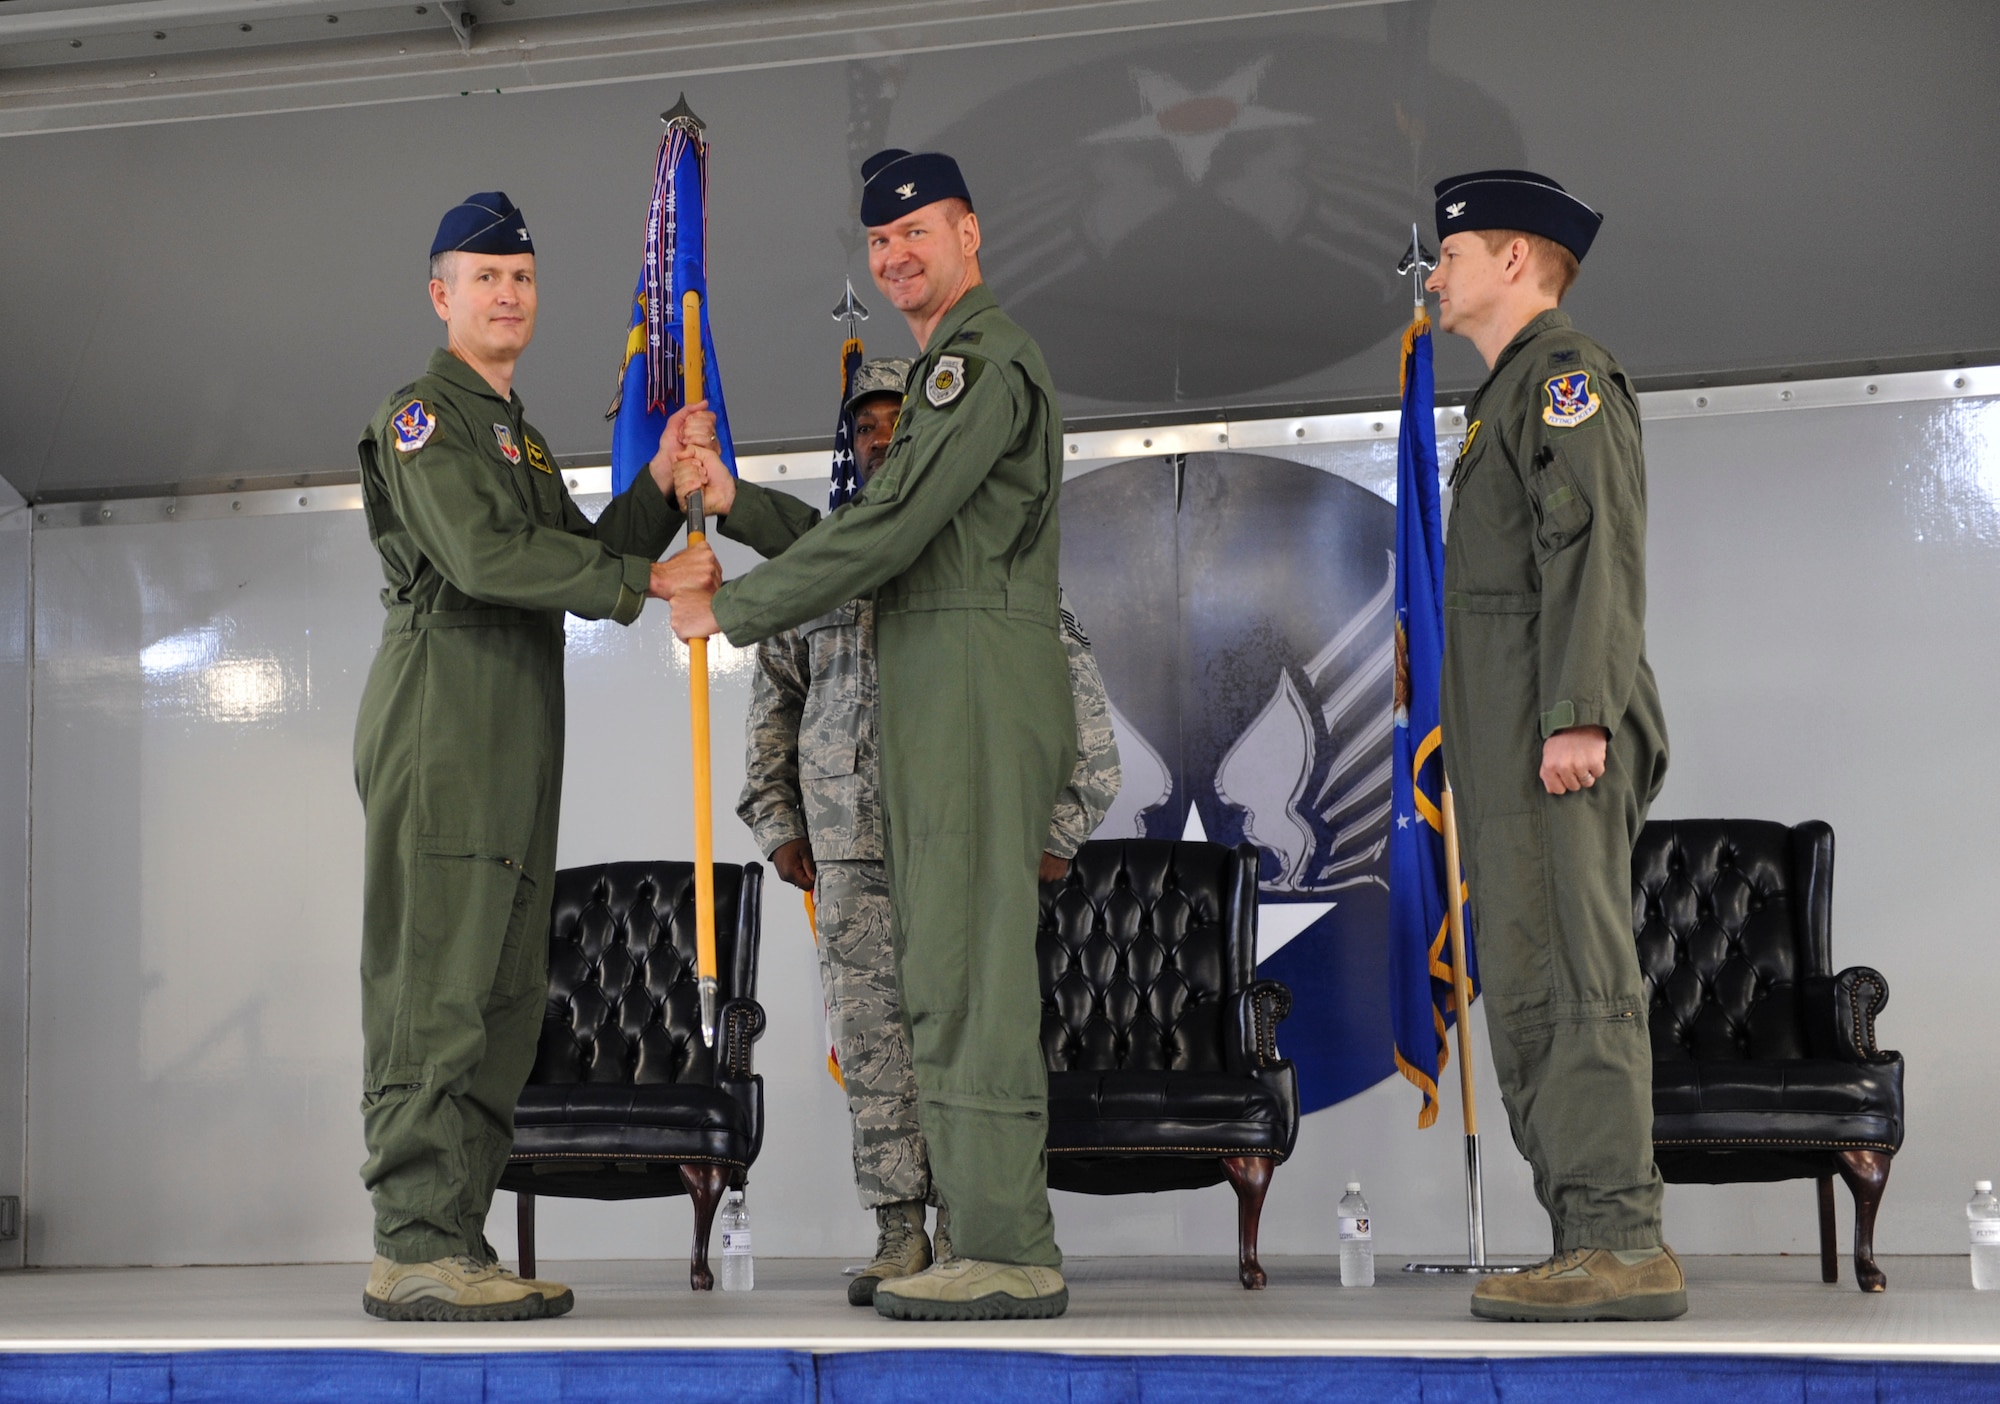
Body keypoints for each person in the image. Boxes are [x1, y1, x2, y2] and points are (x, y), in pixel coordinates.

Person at [668, 149, 1076, 1320]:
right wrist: (740, 506)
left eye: (917, 235)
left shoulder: (979, 362)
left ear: (969, 233)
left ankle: (1003, 1243)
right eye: (879, 243)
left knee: (970, 984)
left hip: (970, 692)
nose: (896, 257)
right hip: (941, 685)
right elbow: (882, 528)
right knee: (939, 984)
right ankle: (974, 1237)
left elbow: (890, 527)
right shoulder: (959, 363)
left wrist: (730, 605)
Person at [352, 191, 717, 1322]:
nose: (506, 294)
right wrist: (642, 583)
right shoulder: (425, 416)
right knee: (437, 991)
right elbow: (479, 554)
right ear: (440, 294)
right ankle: (412, 1240)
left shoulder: (513, 431)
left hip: (512, 725)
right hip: (446, 723)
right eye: (483, 277)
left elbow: (570, 553)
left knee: (502, 999)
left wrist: (656, 495)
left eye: (521, 277)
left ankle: (451, 1238)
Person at [737, 357, 1121, 1306]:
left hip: (961, 847)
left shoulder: (984, 562)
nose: (875, 438)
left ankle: (974, 1230)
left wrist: (1053, 836)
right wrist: (781, 822)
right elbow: (772, 704)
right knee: (875, 1046)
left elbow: (1086, 732)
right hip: (852, 851)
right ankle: (900, 1234)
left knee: (968, 1035)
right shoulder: (820, 562)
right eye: (862, 425)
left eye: (893, 423)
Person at [1423, 170, 1681, 1322]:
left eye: (1453, 252)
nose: (1434, 273)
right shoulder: (1507, 395)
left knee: (1574, 977)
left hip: (1553, 733)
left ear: (1515, 260)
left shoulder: (1564, 381)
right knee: (1529, 976)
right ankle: (1585, 1234)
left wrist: (1578, 710)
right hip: (1511, 737)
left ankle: (1620, 1240)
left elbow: (1593, 554)